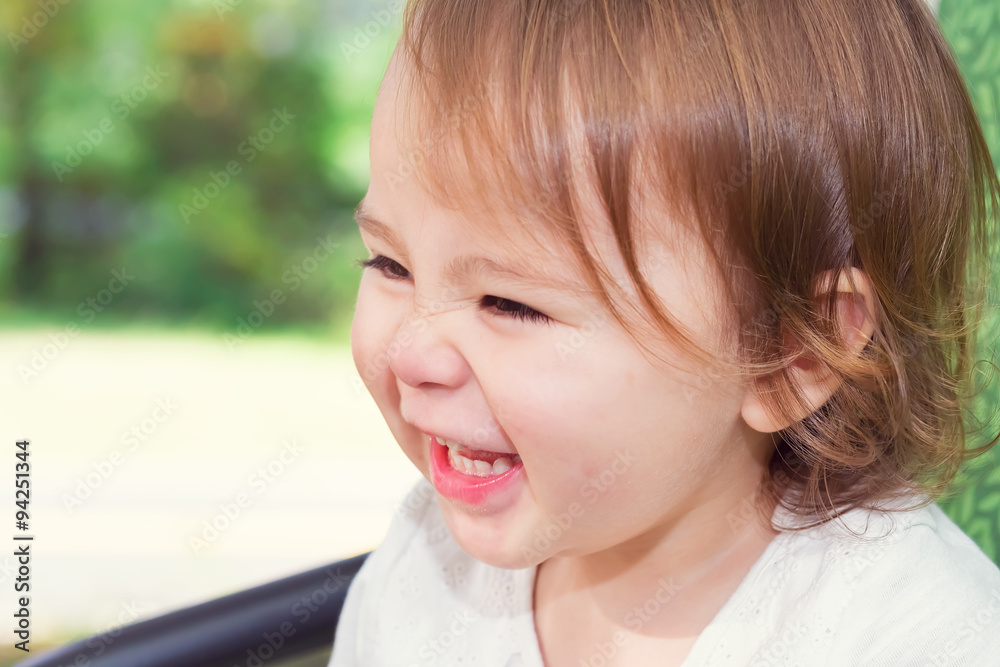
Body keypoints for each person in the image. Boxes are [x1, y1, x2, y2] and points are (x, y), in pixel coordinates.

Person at [330, 0, 1000, 664]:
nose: (411, 350)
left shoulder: (923, 637)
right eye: (390, 263)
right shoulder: (421, 569)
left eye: (509, 303)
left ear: (787, 352)